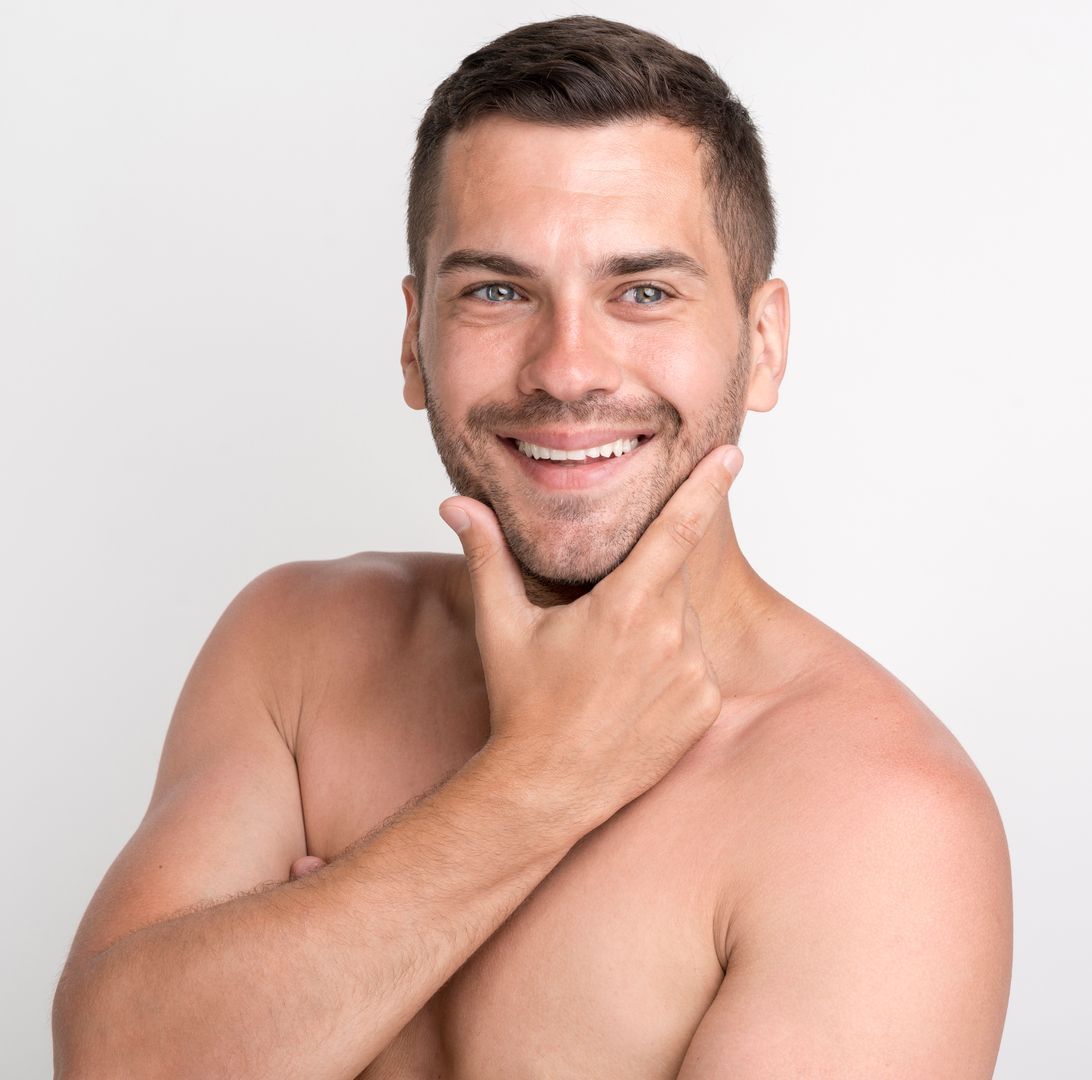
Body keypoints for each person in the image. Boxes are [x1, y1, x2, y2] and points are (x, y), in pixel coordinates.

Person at [52, 14, 1012, 1078]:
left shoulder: (880, 816)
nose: (565, 370)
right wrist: (538, 780)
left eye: (642, 291)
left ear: (764, 343)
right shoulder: (295, 649)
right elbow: (111, 1063)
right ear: (415, 340)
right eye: (497, 291)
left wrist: (304, 979)